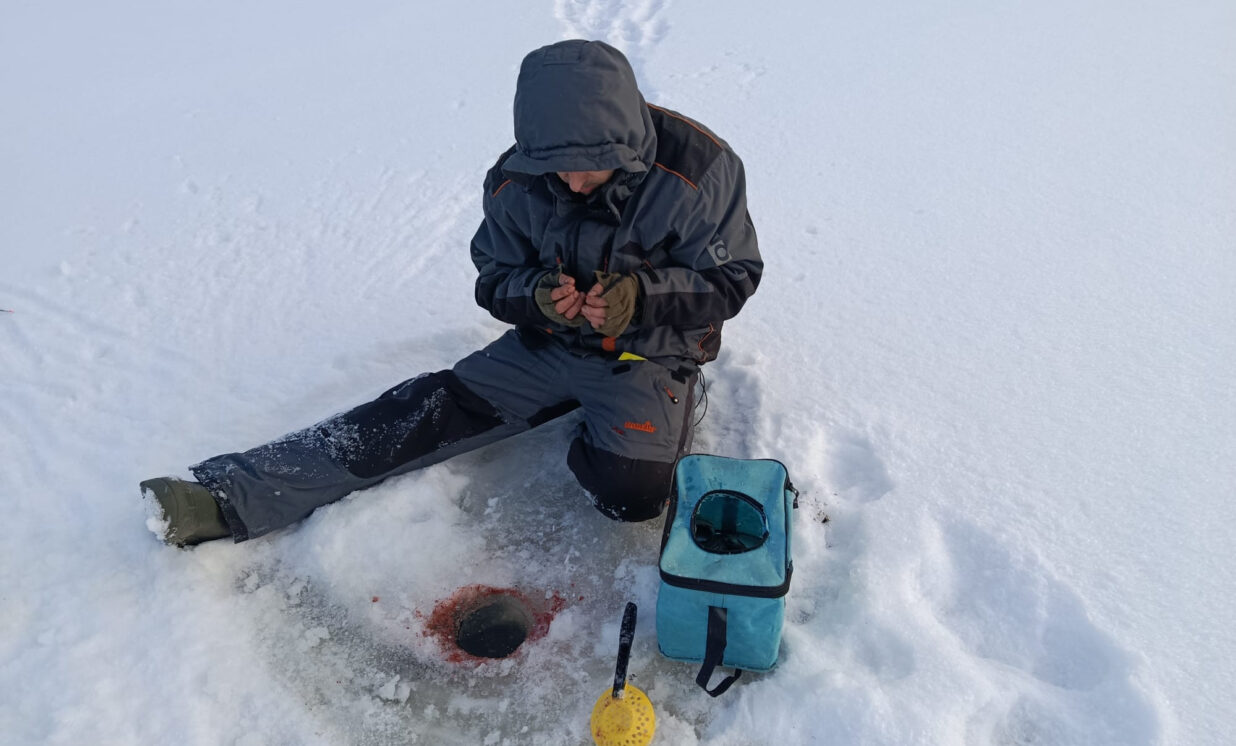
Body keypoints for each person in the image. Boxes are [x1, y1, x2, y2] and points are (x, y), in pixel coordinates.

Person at [141, 39, 762, 547]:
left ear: (622, 143)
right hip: (548, 346)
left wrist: (640, 299)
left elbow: (735, 277)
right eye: (558, 168)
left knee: (633, 495)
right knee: (423, 411)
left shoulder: (700, 171)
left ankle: (636, 418)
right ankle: (229, 495)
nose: (571, 184)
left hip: (647, 353)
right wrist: (536, 298)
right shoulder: (517, 178)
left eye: (587, 167)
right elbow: (492, 278)